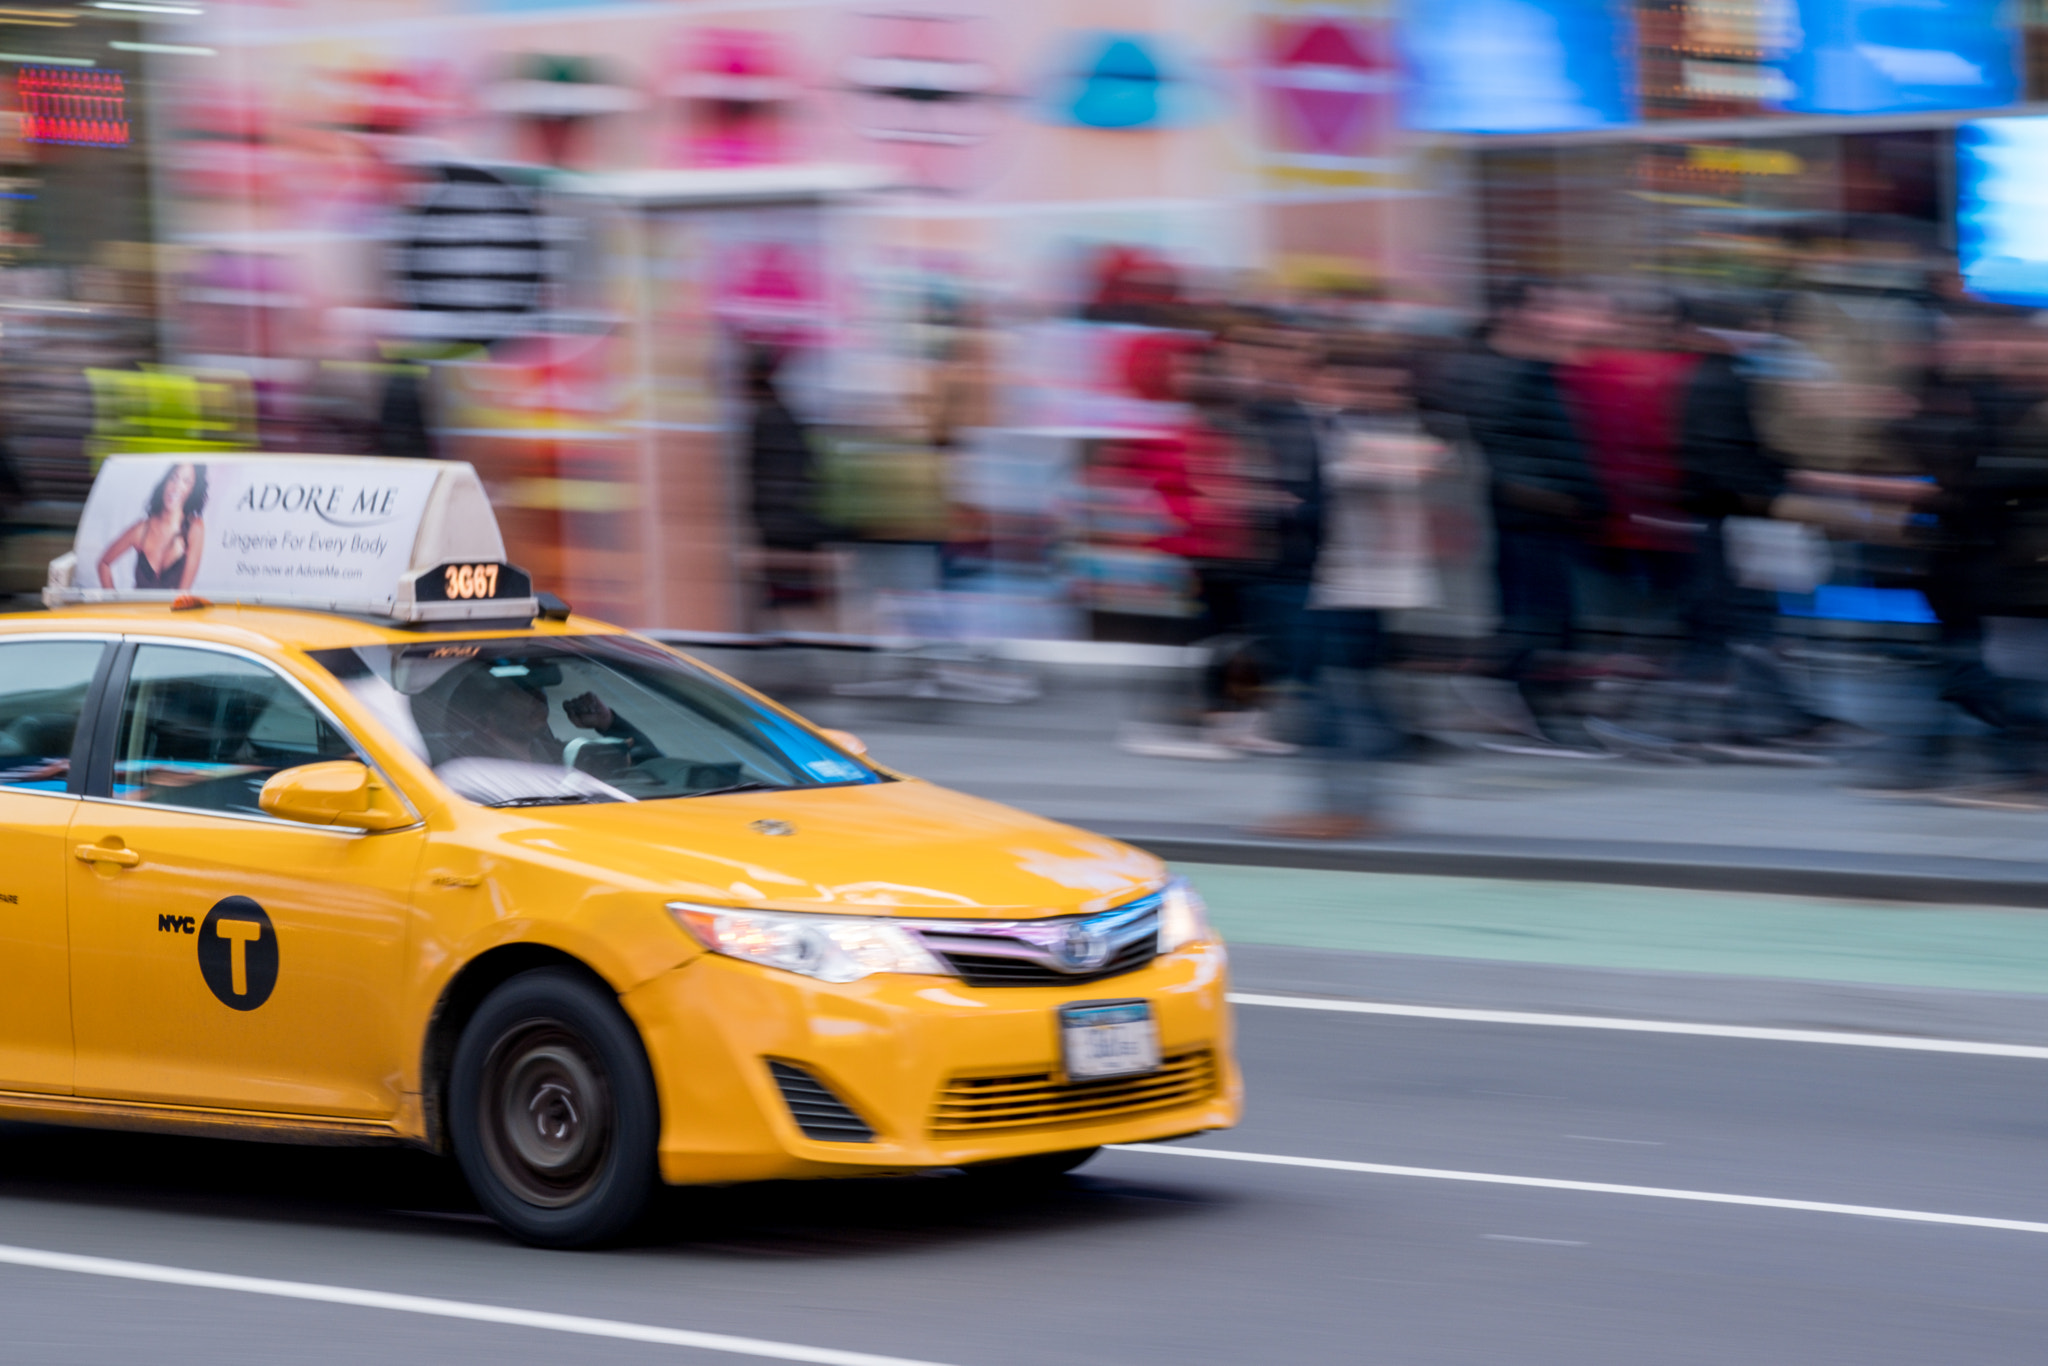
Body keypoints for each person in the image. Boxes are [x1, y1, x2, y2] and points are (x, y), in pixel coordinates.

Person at [1254, 352, 1447, 839]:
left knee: (1337, 694)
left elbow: (1326, 504)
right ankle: (1350, 804)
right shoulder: (1365, 430)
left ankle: (1345, 808)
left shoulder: (1373, 434)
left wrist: (1282, 505)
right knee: (1340, 691)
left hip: (1347, 583)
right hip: (1347, 582)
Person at [1463, 284, 1610, 754]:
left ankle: (1538, 704)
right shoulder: (1499, 371)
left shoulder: (1537, 369)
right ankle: (1529, 704)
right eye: (1545, 307)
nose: (1555, 317)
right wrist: (1561, 496)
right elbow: (1510, 450)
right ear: (1511, 314)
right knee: (1537, 616)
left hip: (1551, 511)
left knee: (1551, 616)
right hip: (1530, 512)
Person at [98, 461, 207, 591]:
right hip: (137, 609)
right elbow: (103, 564)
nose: (177, 486)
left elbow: (183, 594)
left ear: (192, 490)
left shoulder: (194, 529)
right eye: (174, 478)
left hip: (173, 610)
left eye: (186, 481)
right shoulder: (141, 529)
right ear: (165, 482)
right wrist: (114, 604)